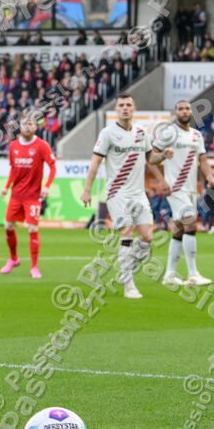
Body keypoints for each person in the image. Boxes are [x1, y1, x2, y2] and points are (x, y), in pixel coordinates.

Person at [80, 94, 171, 299]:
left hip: (138, 193)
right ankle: (129, 284)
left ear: (134, 107)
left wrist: (164, 156)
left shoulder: (141, 132)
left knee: (148, 237)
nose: (125, 108)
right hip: (117, 192)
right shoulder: (108, 133)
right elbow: (95, 163)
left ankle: (126, 268)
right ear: (116, 109)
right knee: (127, 231)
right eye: (121, 105)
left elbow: (151, 159)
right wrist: (87, 189)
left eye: (128, 104)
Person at [148, 100, 214, 287]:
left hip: (191, 188)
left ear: (192, 112)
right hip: (175, 187)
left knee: (178, 229)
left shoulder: (196, 135)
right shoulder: (169, 132)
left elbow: (202, 159)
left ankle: (169, 274)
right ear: (176, 112)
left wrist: (209, 175)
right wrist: (161, 180)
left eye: (187, 109)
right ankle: (193, 274)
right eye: (181, 109)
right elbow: (150, 158)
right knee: (190, 223)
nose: (185, 112)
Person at [0, 115, 56, 279]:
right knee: (8, 226)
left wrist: (47, 186)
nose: (27, 126)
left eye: (30, 124)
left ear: (35, 127)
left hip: (32, 196)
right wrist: (6, 186)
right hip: (16, 195)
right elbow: (13, 169)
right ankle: (13, 259)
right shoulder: (13, 146)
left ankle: (34, 267)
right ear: (20, 127)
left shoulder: (42, 146)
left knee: (32, 228)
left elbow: (53, 168)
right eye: (24, 124)